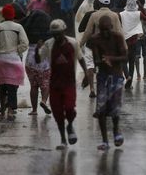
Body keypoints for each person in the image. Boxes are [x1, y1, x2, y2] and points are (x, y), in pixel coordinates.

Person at [40, 19, 88, 149]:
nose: (56, 36)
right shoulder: (48, 45)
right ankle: (63, 139)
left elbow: (81, 59)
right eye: (54, 34)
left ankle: (70, 125)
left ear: (64, 31)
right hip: (54, 84)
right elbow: (39, 59)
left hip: (69, 83)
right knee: (57, 113)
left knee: (69, 108)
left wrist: (86, 74)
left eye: (59, 33)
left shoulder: (73, 43)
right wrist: (37, 50)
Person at [88, 16, 127, 150]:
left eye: (107, 29)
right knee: (101, 109)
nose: (105, 33)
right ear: (100, 29)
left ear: (111, 27)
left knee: (115, 108)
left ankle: (116, 132)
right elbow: (96, 60)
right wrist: (102, 61)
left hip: (116, 76)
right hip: (103, 76)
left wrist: (111, 58)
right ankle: (105, 140)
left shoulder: (118, 37)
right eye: (103, 30)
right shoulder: (95, 39)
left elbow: (125, 56)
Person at [0, 4, 29, 121]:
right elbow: (25, 43)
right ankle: (11, 112)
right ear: (13, 15)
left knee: (2, 87)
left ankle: (2, 111)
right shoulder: (18, 27)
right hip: (15, 59)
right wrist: (16, 51)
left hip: (2, 59)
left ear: (3, 15)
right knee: (12, 87)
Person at [20, 9, 52, 116]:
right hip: (44, 61)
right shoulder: (48, 31)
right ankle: (43, 101)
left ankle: (34, 110)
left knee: (33, 86)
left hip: (30, 59)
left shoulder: (28, 28)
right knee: (45, 84)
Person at [75, 0, 98, 97]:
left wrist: (80, 43)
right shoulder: (107, 14)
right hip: (103, 44)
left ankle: (92, 88)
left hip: (89, 42)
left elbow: (81, 28)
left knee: (89, 64)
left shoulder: (87, 12)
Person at [120, 0, 144, 89]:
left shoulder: (121, 14)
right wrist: (140, 6)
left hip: (124, 41)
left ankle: (127, 77)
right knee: (131, 62)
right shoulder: (138, 13)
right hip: (134, 41)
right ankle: (129, 83)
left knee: (123, 61)